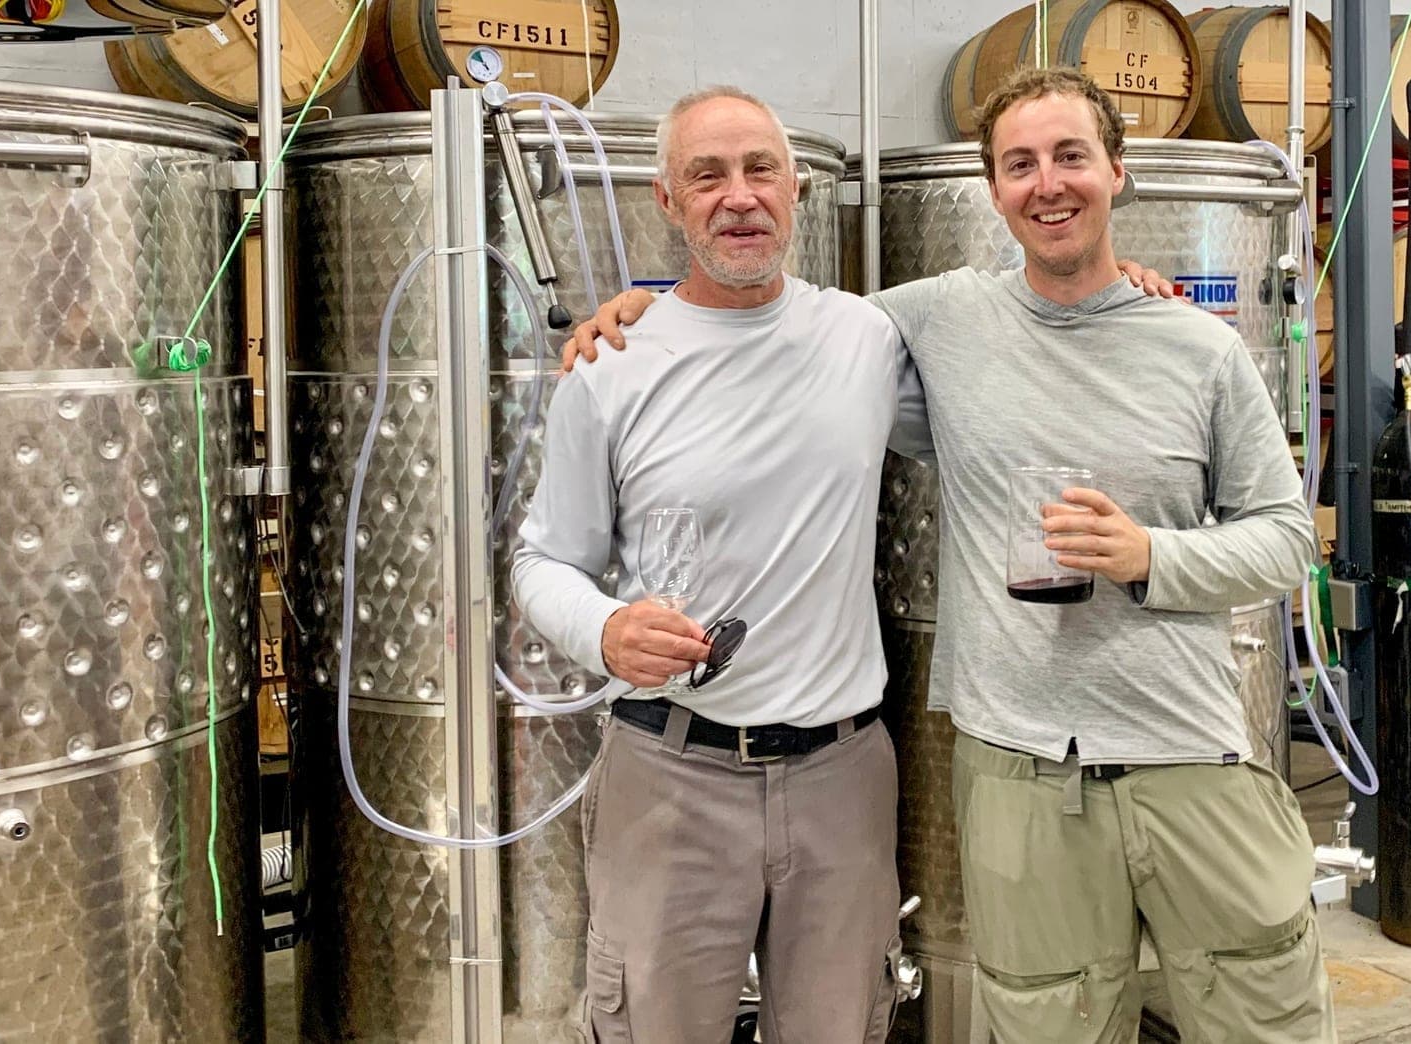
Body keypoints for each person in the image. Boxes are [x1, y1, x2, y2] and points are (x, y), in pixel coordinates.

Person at [579, 68, 1333, 1042]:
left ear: (1115, 170)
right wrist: (640, 316)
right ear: (993, 191)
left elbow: (1280, 537)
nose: (1047, 183)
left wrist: (1150, 555)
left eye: (1070, 156)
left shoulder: (1199, 348)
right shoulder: (935, 318)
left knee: (1261, 1015)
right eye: (1018, 165)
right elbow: (767, 328)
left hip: (1191, 752)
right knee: (1042, 1023)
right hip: (1019, 769)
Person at [511, 85, 927, 1043]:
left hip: (842, 775)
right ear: (667, 201)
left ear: (796, 191)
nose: (738, 196)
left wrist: (1123, 289)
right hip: (672, 771)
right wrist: (605, 629)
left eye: (760, 170)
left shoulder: (864, 338)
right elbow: (541, 563)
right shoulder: (610, 364)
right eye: (707, 175)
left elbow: (1013, 342)